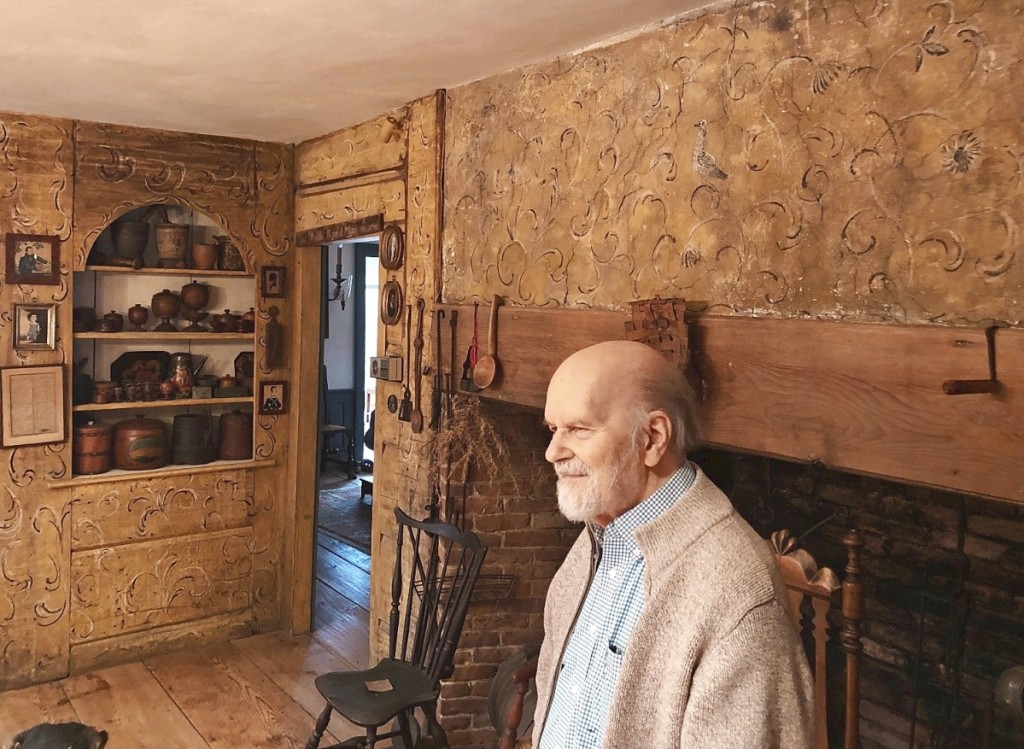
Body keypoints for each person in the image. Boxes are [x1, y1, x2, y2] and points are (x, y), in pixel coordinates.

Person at [533, 340, 814, 749]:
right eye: (552, 429)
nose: (552, 452)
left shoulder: (738, 590)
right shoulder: (600, 536)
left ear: (652, 438)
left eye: (578, 428)